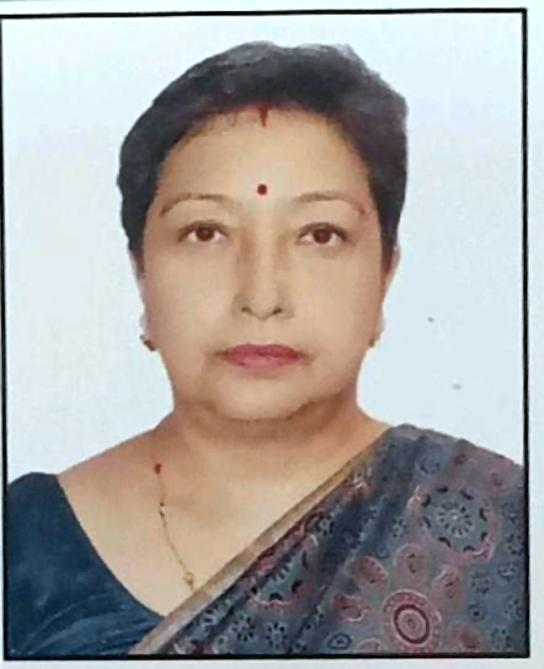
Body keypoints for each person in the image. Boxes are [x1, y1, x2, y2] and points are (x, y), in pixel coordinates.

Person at [7, 41, 526, 657]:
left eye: (320, 234)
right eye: (205, 232)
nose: (261, 297)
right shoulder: (23, 548)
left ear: (385, 273)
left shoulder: (506, 530)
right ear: (141, 273)